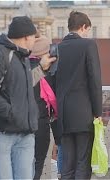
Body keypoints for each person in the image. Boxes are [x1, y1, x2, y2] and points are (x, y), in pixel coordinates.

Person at [0, 16, 54, 179]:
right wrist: (12, 113)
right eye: (34, 38)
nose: (34, 41)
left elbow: (24, 84)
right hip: (2, 134)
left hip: (25, 134)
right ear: (26, 37)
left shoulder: (21, 57)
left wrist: (42, 68)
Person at [55, 11, 102, 179]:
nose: (87, 34)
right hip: (84, 113)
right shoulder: (88, 45)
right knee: (83, 162)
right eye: (87, 30)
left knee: (67, 163)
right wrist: (98, 112)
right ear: (83, 27)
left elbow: (53, 81)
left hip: (62, 114)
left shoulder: (58, 48)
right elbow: (95, 80)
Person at [29, 36, 61, 179]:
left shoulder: (22, 67)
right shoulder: (47, 72)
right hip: (41, 123)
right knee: (38, 162)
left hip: (24, 124)